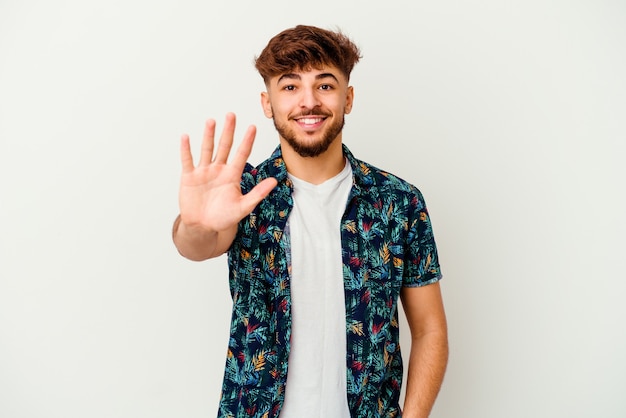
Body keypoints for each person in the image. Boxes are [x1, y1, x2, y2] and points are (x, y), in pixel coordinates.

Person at [172, 25, 448, 418]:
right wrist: (196, 224)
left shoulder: (398, 202)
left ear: (348, 98)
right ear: (267, 103)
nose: (308, 102)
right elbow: (196, 244)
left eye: (324, 85)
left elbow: (429, 329)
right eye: (289, 87)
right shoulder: (244, 192)